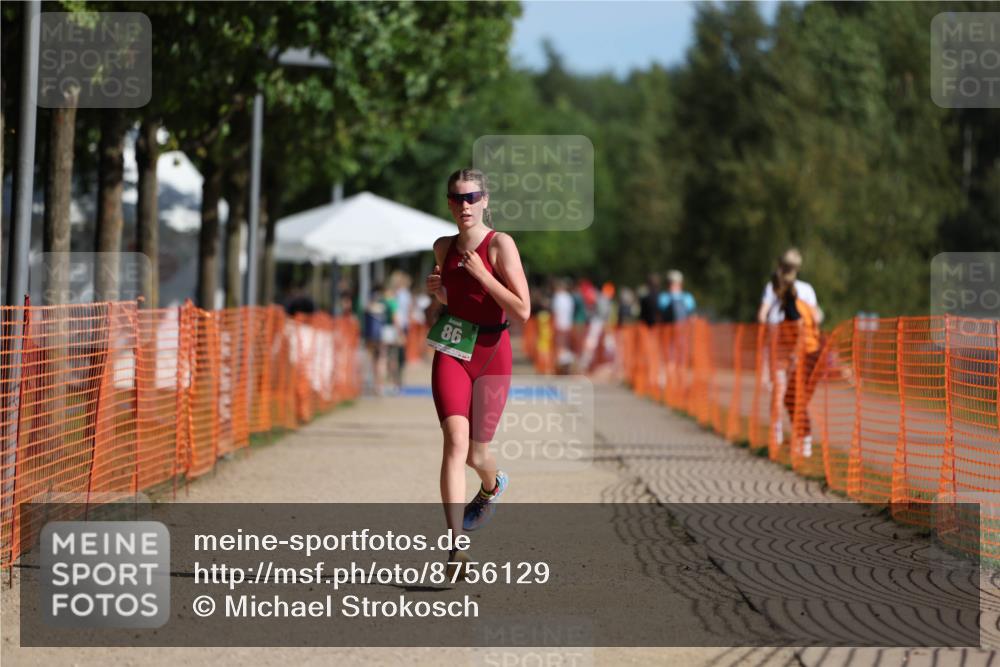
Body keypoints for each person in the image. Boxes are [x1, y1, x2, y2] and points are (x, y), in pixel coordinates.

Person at [426, 168, 530, 571]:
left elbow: (522, 310)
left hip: (492, 350)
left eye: (471, 198)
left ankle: (492, 483)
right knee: (454, 442)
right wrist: (442, 294)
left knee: (476, 454)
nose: (464, 206)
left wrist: (483, 274)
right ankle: (456, 549)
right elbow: (458, 301)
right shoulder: (442, 246)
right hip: (453, 346)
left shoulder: (500, 244)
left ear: (485, 200)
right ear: (449, 203)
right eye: (456, 198)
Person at [771, 269, 821, 458]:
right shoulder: (796, 303)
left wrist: (795, 355)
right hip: (811, 352)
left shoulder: (791, 306)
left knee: (796, 399)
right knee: (791, 399)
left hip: (809, 353)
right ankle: (801, 439)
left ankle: (805, 443)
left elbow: (800, 329)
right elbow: (815, 319)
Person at [757, 248, 822, 325]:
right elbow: (817, 317)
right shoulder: (806, 288)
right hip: (800, 332)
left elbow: (762, 316)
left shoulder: (772, 286)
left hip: (779, 332)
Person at [551, 278, 575, 372]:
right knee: (566, 345)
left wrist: (554, 324)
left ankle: (561, 366)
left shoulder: (558, 297)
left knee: (560, 345)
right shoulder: (569, 297)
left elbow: (556, 312)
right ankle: (565, 365)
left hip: (559, 324)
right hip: (567, 324)